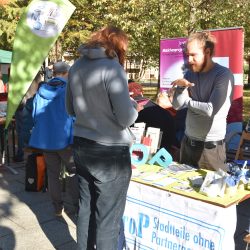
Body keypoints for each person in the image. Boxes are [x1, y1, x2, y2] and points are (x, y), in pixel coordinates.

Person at [66, 26, 139, 250]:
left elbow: (70, 108)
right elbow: (126, 117)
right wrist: (135, 106)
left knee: (86, 209)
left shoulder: (76, 66)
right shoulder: (112, 67)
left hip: (82, 145)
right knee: (108, 220)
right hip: (109, 152)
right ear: (118, 46)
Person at [172, 31, 234, 171]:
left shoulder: (223, 75)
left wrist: (187, 101)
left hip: (210, 149)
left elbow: (211, 110)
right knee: (182, 190)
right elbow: (176, 105)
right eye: (188, 55)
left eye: (193, 55)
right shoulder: (190, 73)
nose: (189, 60)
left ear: (207, 52)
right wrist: (180, 88)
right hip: (187, 144)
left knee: (210, 192)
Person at [29, 61, 79, 217]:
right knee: (74, 172)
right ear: (66, 73)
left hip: (46, 139)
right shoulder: (69, 90)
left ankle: (57, 208)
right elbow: (75, 114)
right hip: (65, 139)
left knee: (52, 174)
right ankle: (77, 206)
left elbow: (34, 115)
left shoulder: (41, 90)